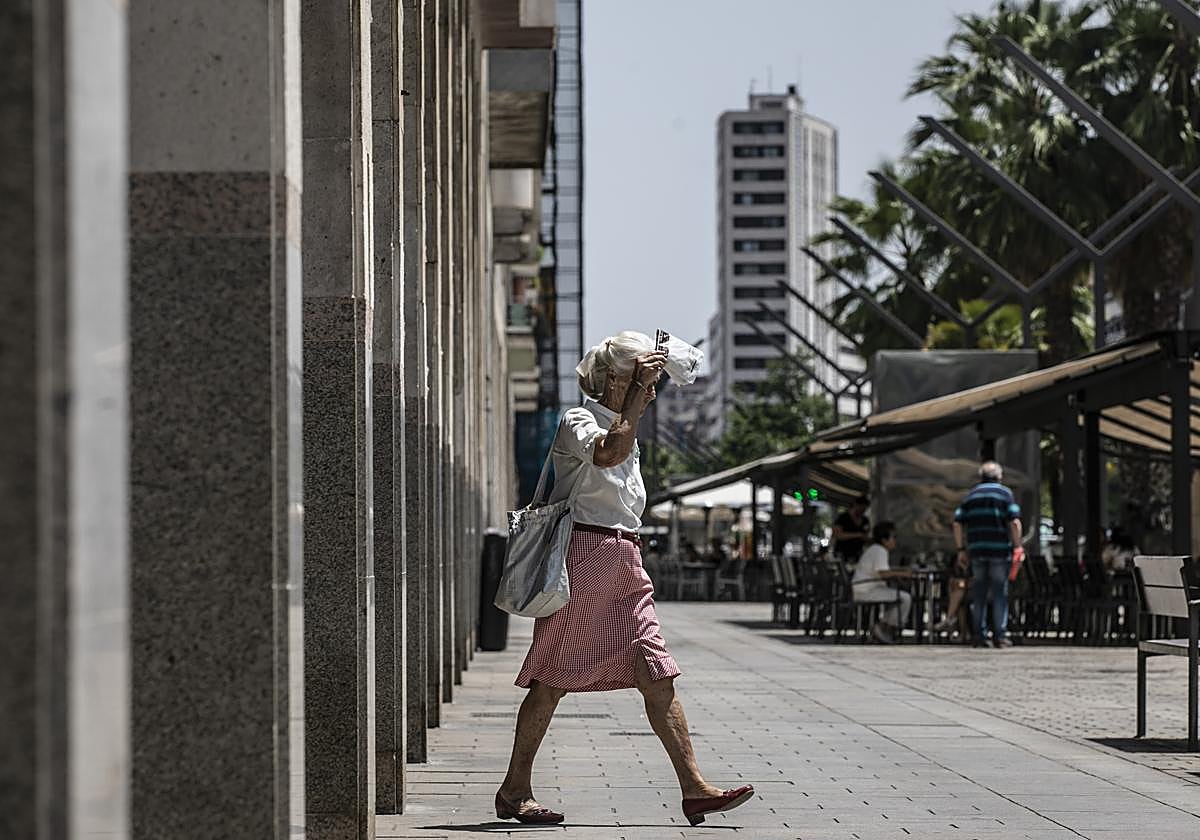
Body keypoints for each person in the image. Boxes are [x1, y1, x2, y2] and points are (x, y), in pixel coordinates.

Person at [498, 331, 754, 827]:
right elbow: (607, 454)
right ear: (612, 379)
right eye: (640, 377)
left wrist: (637, 400)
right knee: (552, 677)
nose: (650, 387)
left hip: (625, 558)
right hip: (584, 555)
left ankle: (695, 788)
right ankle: (514, 789)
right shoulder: (581, 420)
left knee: (657, 672)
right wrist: (636, 401)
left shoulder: (626, 425)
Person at [953, 461, 1023, 649]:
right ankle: (1000, 636)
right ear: (999, 477)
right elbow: (1014, 522)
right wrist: (1018, 546)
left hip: (977, 551)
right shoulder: (1005, 494)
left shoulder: (971, 495)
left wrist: (961, 549)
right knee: (1000, 593)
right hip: (999, 550)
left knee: (979, 593)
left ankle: (980, 635)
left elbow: (958, 522)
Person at [851, 521, 913, 644]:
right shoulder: (880, 551)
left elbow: (883, 571)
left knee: (897, 596)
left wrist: (897, 574)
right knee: (905, 598)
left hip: (862, 588)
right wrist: (903, 574)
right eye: (893, 537)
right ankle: (885, 628)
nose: (895, 541)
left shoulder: (874, 549)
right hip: (866, 590)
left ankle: (883, 627)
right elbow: (883, 573)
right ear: (884, 540)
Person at [832, 495, 871, 562]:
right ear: (855, 505)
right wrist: (857, 535)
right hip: (842, 553)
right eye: (861, 509)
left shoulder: (865, 520)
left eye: (864, 510)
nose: (862, 512)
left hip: (858, 553)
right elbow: (838, 535)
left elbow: (865, 535)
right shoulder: (843, 518)